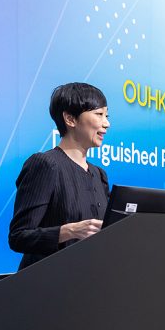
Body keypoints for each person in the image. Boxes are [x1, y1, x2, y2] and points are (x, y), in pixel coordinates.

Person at [8, 83, 111, 270]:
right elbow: (18, 236)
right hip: (50, 283)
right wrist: (69, 231)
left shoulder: (99, 174)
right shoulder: (45, 165)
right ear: (70, 119)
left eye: (107, 116)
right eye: (99, 115)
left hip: (92, 279)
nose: (106, 123)